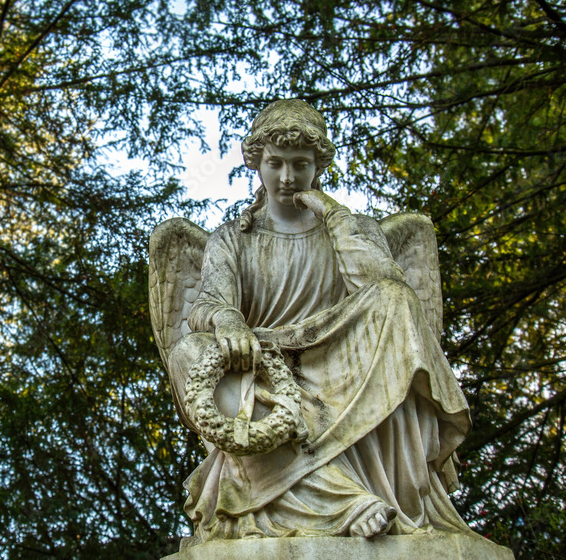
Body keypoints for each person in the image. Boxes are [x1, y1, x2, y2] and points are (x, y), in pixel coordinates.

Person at [179, 99, 474, 542]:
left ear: (318, 166)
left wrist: (335, 217)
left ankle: (347, 497)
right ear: (257, 163)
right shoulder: (233, 239)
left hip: (341, 358)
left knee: (394, 298)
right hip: (265, 365)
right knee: (189, 351)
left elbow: (389, 295)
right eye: (275, 163)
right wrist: (228, 320)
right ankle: (342, 499)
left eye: (300, 164)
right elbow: (206, 306)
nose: (287, 177)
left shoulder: (353, 227)